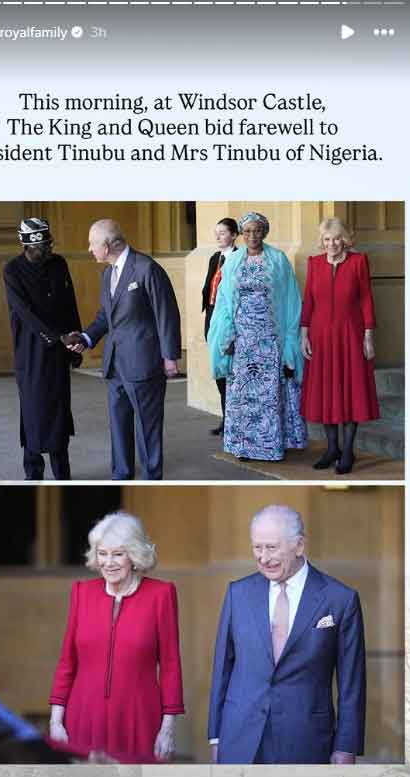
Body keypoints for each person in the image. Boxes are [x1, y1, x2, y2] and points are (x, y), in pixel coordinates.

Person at [208, 504, 366, 765]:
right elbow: (222, 667)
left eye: (271, 548)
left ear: (299, 546)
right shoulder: (238, 593)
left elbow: (352, 682)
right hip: (240, 739)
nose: (262, 557)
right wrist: (215, 736)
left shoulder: (341, 599)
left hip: (306, 739)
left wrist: (346, 746)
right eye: (257, 547)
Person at [49, 511, 185, 763]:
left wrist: (167, 728)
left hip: (139, 718)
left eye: (117, 554)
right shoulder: (82, 593)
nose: (108, 562)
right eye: (102, 553)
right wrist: (56, 721)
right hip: (83, 717)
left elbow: (170, 665)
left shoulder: (161, 595)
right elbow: (67, 662)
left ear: (134, 555)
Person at [62, 219, 181, 480]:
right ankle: (121, 474)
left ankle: (152, 478)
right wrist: (86, 337)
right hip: (115, 363)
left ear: (108, 244)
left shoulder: (146, 267)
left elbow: (167, 313)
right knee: (118, 425)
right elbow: (106, 316)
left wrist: (170, 356)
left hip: (144, 362)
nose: (89, 248)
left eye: (93, 243)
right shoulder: (107, 274)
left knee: (147, 427)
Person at [208, 211, 307, 462]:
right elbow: (223, 301)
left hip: (270, 337)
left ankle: (270, 446)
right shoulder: (232, 262)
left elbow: (291, 299)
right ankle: (244, 446)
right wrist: (226, 335)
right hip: (242, 340)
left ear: (265, 232)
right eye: (248, 231)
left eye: (257, 230)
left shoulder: (278, 260)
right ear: (242, 234)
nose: (253, 235)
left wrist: (289, 339)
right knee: (242, 394)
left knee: (268, 394)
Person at [3, 218, 82, 480]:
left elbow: (69, 303)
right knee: (33, 410)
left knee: (59, 410)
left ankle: (62, 473)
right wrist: (55, 336)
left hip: (60, 350)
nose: (47, 251)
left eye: (48, 245)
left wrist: (75, 343)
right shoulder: (12, 270)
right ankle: (33, 473)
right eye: (41, 248)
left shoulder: (59, 264)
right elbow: (23, 311)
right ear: (28, 246)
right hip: (31, 351)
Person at [300, 218, 379, 474]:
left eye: (335, 238)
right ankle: (332, 448)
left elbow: (366, 299)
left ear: (344, 239)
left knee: (352, 391)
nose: (331, 244)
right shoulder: (314, 264)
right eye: (326, 239)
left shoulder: (358, 262)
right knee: (325, 391)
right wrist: (304, 334)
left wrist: (368, 335)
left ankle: (347, 451)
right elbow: (309, 301)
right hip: (321, 337)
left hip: (350, 334)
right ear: (321, 242)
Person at [201, 217, 239, 437]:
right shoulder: (215, 257)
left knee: (230, 373)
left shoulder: (239, 257)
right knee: (219, 372)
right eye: (216, 232)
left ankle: (232, 421)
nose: (218, 236)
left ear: (234, 235)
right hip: (212, 317)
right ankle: (226, 419)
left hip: (228, 321)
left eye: (223, 232)